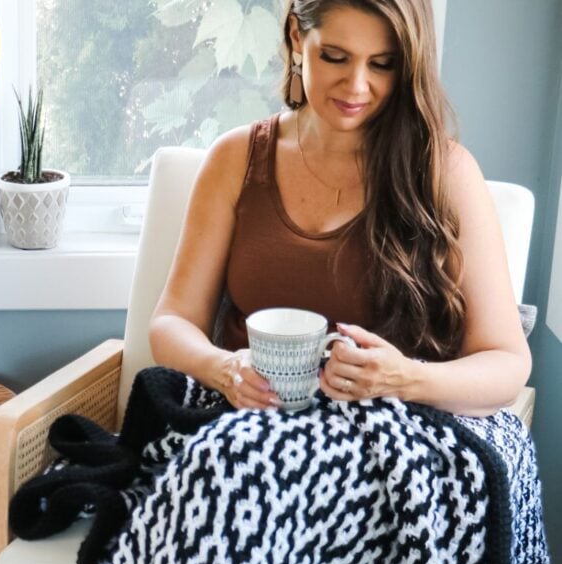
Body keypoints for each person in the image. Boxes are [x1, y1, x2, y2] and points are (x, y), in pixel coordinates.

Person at [148, 0, 531, 419]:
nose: (357, 86)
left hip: (396, 435)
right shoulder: (235, 159)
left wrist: (404, 379)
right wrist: (224, 369)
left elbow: (508, 364)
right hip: (247, 429)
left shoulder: (447, 173)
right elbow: (172, 322)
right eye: (335, 57)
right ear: (296, 36)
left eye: (383, 64)